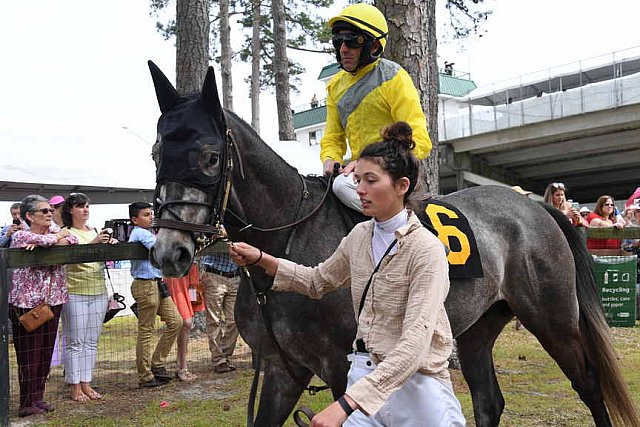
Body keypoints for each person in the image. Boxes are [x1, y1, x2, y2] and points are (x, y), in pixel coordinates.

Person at [230, 122, 465, 426]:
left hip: (417, 386)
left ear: (401, 186)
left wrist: (345, 405)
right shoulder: (359, 236)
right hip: (363, 372)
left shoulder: (426, 249)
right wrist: (262, 258)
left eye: (370, 180)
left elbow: (415, 343)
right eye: (357, 180)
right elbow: (316, 281)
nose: (360, 190)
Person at [320, 3, 432, 211]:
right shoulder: (335, 85)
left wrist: (371, 162)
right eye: (339, 41)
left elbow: (420, 141)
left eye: (352, 42)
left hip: (393, 172)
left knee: (342, 186)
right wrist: (330, 160)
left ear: (373, 46)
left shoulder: (394, 77)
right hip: (358, 173)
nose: (344, 48)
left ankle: (400, 227)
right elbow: (332, 138)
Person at [9, 195, 78, 417]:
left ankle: (38, 397)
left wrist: (54, 239)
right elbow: (56, 239)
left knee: (46, 352)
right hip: (28, 305)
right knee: (30, 354)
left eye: (50, 211)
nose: (50, 214)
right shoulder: (20, 235)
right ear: (29, 216)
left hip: (53, 300)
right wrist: (58, 237)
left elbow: (73, 240)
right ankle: (26, 401)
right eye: (44, 211)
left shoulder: (48, 235)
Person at [61, 192, 118, 402]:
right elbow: (70, 261)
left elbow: (100, 259)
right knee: (75, 341)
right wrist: (94, 243)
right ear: (70, 209)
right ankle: (75, 386)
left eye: (87, 206)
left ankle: (87, 382)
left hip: (98, 290)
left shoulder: (95, 230)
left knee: (91, 342)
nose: (85, 210)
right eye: (80, 206)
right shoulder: (65, 233)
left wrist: (109, 245)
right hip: (75, 291)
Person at [128, 202, 183, 387]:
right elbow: (159, 247)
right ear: (135, 219)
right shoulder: (140, 233)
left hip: (157, 284)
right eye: (146, 214)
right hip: (145, 285)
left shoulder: (148, 232)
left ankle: (157, 363)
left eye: (151, 214)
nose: (151, 217)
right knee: (146, 329)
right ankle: (145, 375)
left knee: (176, 321)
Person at [199, 228, 240, 374]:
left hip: (235, 276)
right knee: (214, 320)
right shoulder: (215, 221)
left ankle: (224, 354)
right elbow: (208, 235)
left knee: (234, 320)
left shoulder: (236, 223)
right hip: (214, 275)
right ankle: (219, 360)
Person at [164, 263, 204, 381]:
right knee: (186, 322)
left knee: (186, 322)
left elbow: (193, 286)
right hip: (175, 271)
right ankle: (182, 367)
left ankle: (181, 366)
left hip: (188, 268)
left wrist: (193, 301)